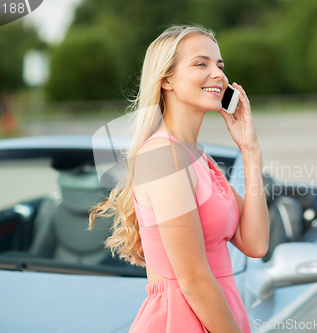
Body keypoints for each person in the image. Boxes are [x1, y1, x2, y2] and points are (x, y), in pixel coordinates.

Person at [89, 24, 270, 333]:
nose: (218, 74)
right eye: (202, 63)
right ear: (167, 79)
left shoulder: (200, 158)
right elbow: (195, 280)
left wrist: (250, 150)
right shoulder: (163, 157)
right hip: (181, 322)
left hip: (219, 317)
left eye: (219, 65)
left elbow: (255, 244)